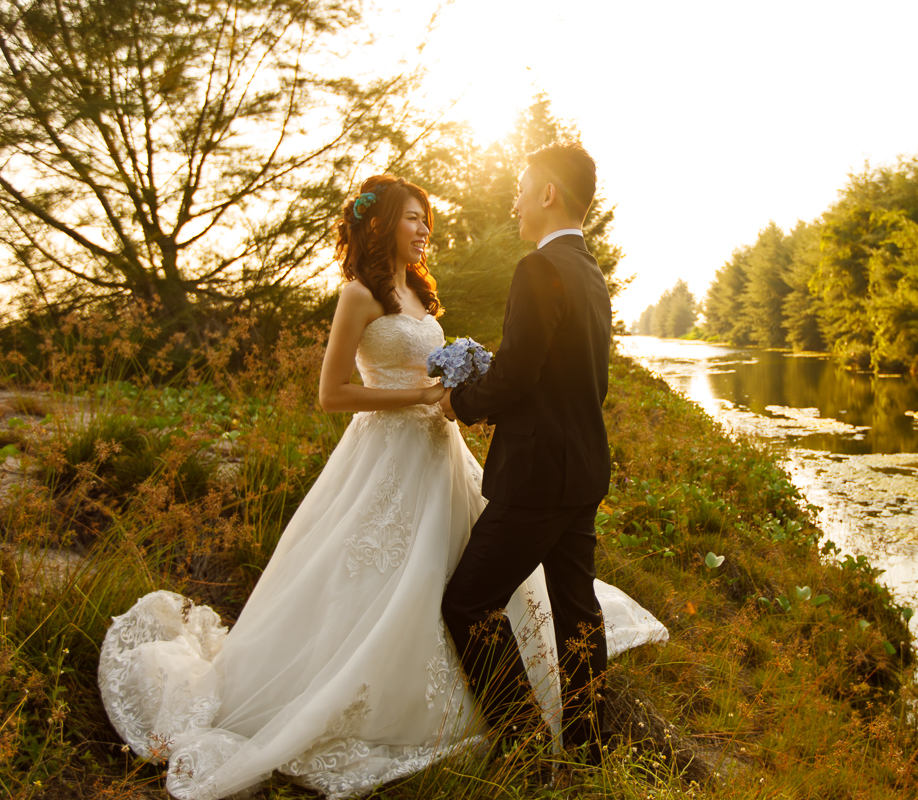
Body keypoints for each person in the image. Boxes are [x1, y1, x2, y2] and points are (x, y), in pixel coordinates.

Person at [97, 174, 666, 800]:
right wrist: (426, 395)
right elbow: (331, 393)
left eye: (427, 219)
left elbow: (519, 370)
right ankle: (550, 743)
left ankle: (544, 744)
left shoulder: (422, 293)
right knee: (402, 582)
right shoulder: (358, 294)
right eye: (413, 218)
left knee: (461, 588)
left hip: (441, 454)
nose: (424, 230)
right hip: (388, 454)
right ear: (380, 223)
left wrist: (462, 394)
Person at [438, 142, 615, 762]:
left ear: (548, 193)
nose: (515, 204)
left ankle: (525, 743)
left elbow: (516, 373)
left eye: (520, 190)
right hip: (584, 469)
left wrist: (461, 401)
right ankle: (589, 751)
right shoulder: (589, 271)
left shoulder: (539, 268)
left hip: (538, 477)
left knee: (468, 602)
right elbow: (581, 379)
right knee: (578, 613)